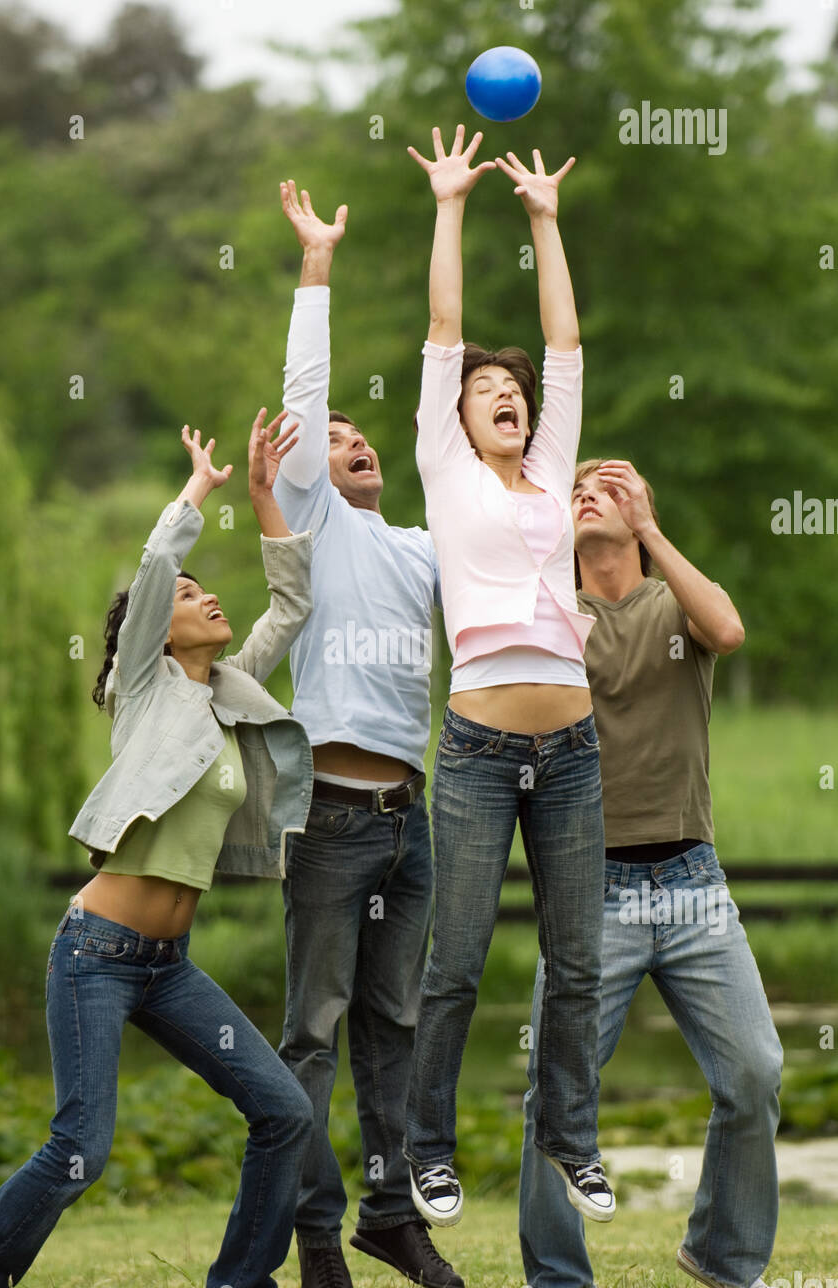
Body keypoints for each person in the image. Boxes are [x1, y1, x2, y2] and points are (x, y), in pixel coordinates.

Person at [0, 413, 316, 1288]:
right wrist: (197, 494)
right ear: (155, 629)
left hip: (169, 967)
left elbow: (290, 606)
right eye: (188, 595)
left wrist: (262, 501)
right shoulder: (141, 690)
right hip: (95, 954)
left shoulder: (228, 693)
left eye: (207, 590)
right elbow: (149, 576)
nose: (205, 599)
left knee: (283, 1114)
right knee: (81, 1150)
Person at [403, 126, 614, 1229]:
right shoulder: (445, 471)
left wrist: (543, 217)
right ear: (457, 410)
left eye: (512, 389)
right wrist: (452, 202)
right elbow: (443, 327)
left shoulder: (551, 469)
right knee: (457, 962)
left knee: (578, 960)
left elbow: (564, 337)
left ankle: (573, 1142)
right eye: (484, 387)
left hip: (573, 750)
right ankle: (428, 1155)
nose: (504, 393)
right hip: (480, 750)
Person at [519, 458, 783, 1288]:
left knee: (754, 1072)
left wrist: (651, 531)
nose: (590, 489)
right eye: (576, 487)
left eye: (611, 484)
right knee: (554, 1095)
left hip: (693, 882)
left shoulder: (677, 604)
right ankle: (557, 1283)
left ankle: (723, 1258)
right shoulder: (553, 614)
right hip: (587, 891)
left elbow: (731, 630)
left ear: (640, 512)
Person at [272, 179, 463, 1288]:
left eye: (357, 436)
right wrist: (315, 266)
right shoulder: (320, 521)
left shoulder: (425, 548)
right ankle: (312, 1237)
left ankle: (393, 1216)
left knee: (393, 1030)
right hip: (331, 820)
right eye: (331, 440)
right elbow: (305, 394)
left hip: (410, 823)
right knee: (311, 1036)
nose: (349, 443)